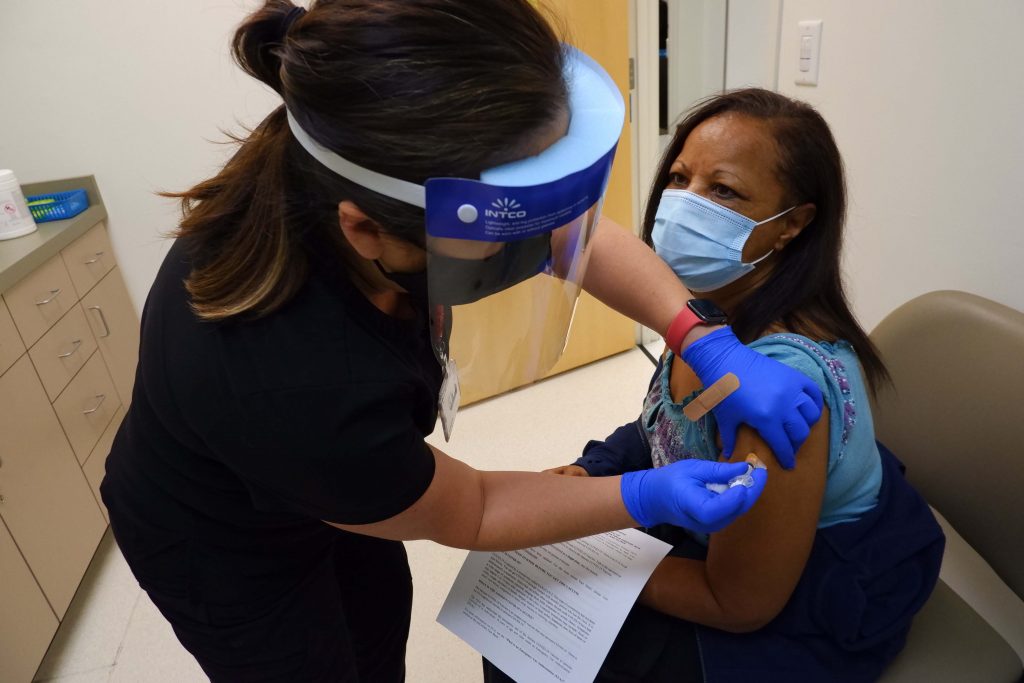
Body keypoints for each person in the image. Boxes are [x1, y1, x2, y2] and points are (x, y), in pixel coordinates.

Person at [100, 3, 826, 681]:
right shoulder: (299, 378)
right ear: (368, 231)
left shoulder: (338, 181)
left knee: (376, 621)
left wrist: (701, 336)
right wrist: (644, 493)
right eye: (502, 234)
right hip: (221, 539)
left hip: (333, 470)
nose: (540, 246)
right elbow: (471, 507)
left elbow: (573, 235)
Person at [487, 89, 945, 682]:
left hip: (800, 605)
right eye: (679, 177)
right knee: (516, 616)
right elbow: (670, 424)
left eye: (723, 190)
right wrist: (596, 470)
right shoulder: (706, 318)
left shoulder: (778, 393)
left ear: (793, 225)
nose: (683, 204)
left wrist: (591, 549)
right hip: (720, 546)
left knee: (527, 650)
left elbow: (740, 605)